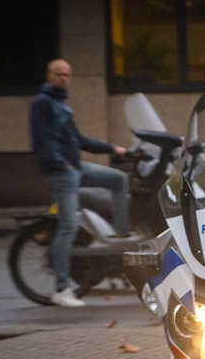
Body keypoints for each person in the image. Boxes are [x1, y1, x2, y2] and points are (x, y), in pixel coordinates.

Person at [29, 59, 134, 308]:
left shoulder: (61, 104)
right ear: (49, 76)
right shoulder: (42, 103)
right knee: (68, 226)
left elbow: (80, 140)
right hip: (62, 172)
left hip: (76, 168)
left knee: (118, 179)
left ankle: (123, 236)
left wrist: (113, 149)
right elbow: (39, 143)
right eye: (59, 74)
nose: (63, 79)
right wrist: (62, 165)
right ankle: (61, 289)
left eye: (67, 75)